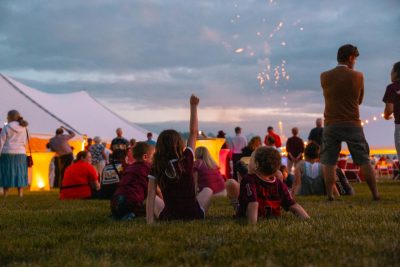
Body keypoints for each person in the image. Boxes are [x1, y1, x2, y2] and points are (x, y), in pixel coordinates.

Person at [320, 44, 379, 201]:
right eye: (355, 59)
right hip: (352, 122)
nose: (355, 62)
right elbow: (359, 100)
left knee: (329, 161)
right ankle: (375, 194)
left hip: (331, 123)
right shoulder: (358, 76)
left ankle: (330, 195)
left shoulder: (324, 76)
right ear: (351, 57)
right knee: (363, 159)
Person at [146, 95, 213, 223]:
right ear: (179, 144)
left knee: (153, 197)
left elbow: (150, 194)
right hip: (194, 214)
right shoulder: (186, 159)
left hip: (169, 216)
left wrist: (150, 221)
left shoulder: (157, 167)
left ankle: (153, 218)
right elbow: (193, 132)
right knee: (208, 190)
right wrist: (193, 106)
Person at [226, 147, 310, 224]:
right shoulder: (278, 183)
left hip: (250, 214)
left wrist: (252, 224)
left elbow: (253, 203)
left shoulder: (249, 179)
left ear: (256, 165)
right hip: (272, 215)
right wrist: (307, 219)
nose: (248, 164)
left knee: (231, 183)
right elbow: (293, 205)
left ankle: (236, 205)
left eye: (250, 160)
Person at [111, 142, 155, 220]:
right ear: (145, 157)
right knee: (154, 208)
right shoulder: (148, 168)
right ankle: (131, 214)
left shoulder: (129, 168)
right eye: (152, 157)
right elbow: (155, 190)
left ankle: (120, 214)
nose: (153, 160)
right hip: (130, 203)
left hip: (115, 202)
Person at [0, 110, 29, 197]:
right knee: (20, 172)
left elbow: (1, 141)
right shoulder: (25, 127)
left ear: (10, 117)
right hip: (21, 153)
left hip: (7, 153)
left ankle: (6, 193)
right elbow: (27, 140)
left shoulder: (6, 127)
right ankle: (20, 193)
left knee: (6, 172)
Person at [383, 61, 400, 160]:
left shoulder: (392, 87)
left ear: (396, 73)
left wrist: (386, 116)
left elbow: (389, 109)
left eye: (392, 71)